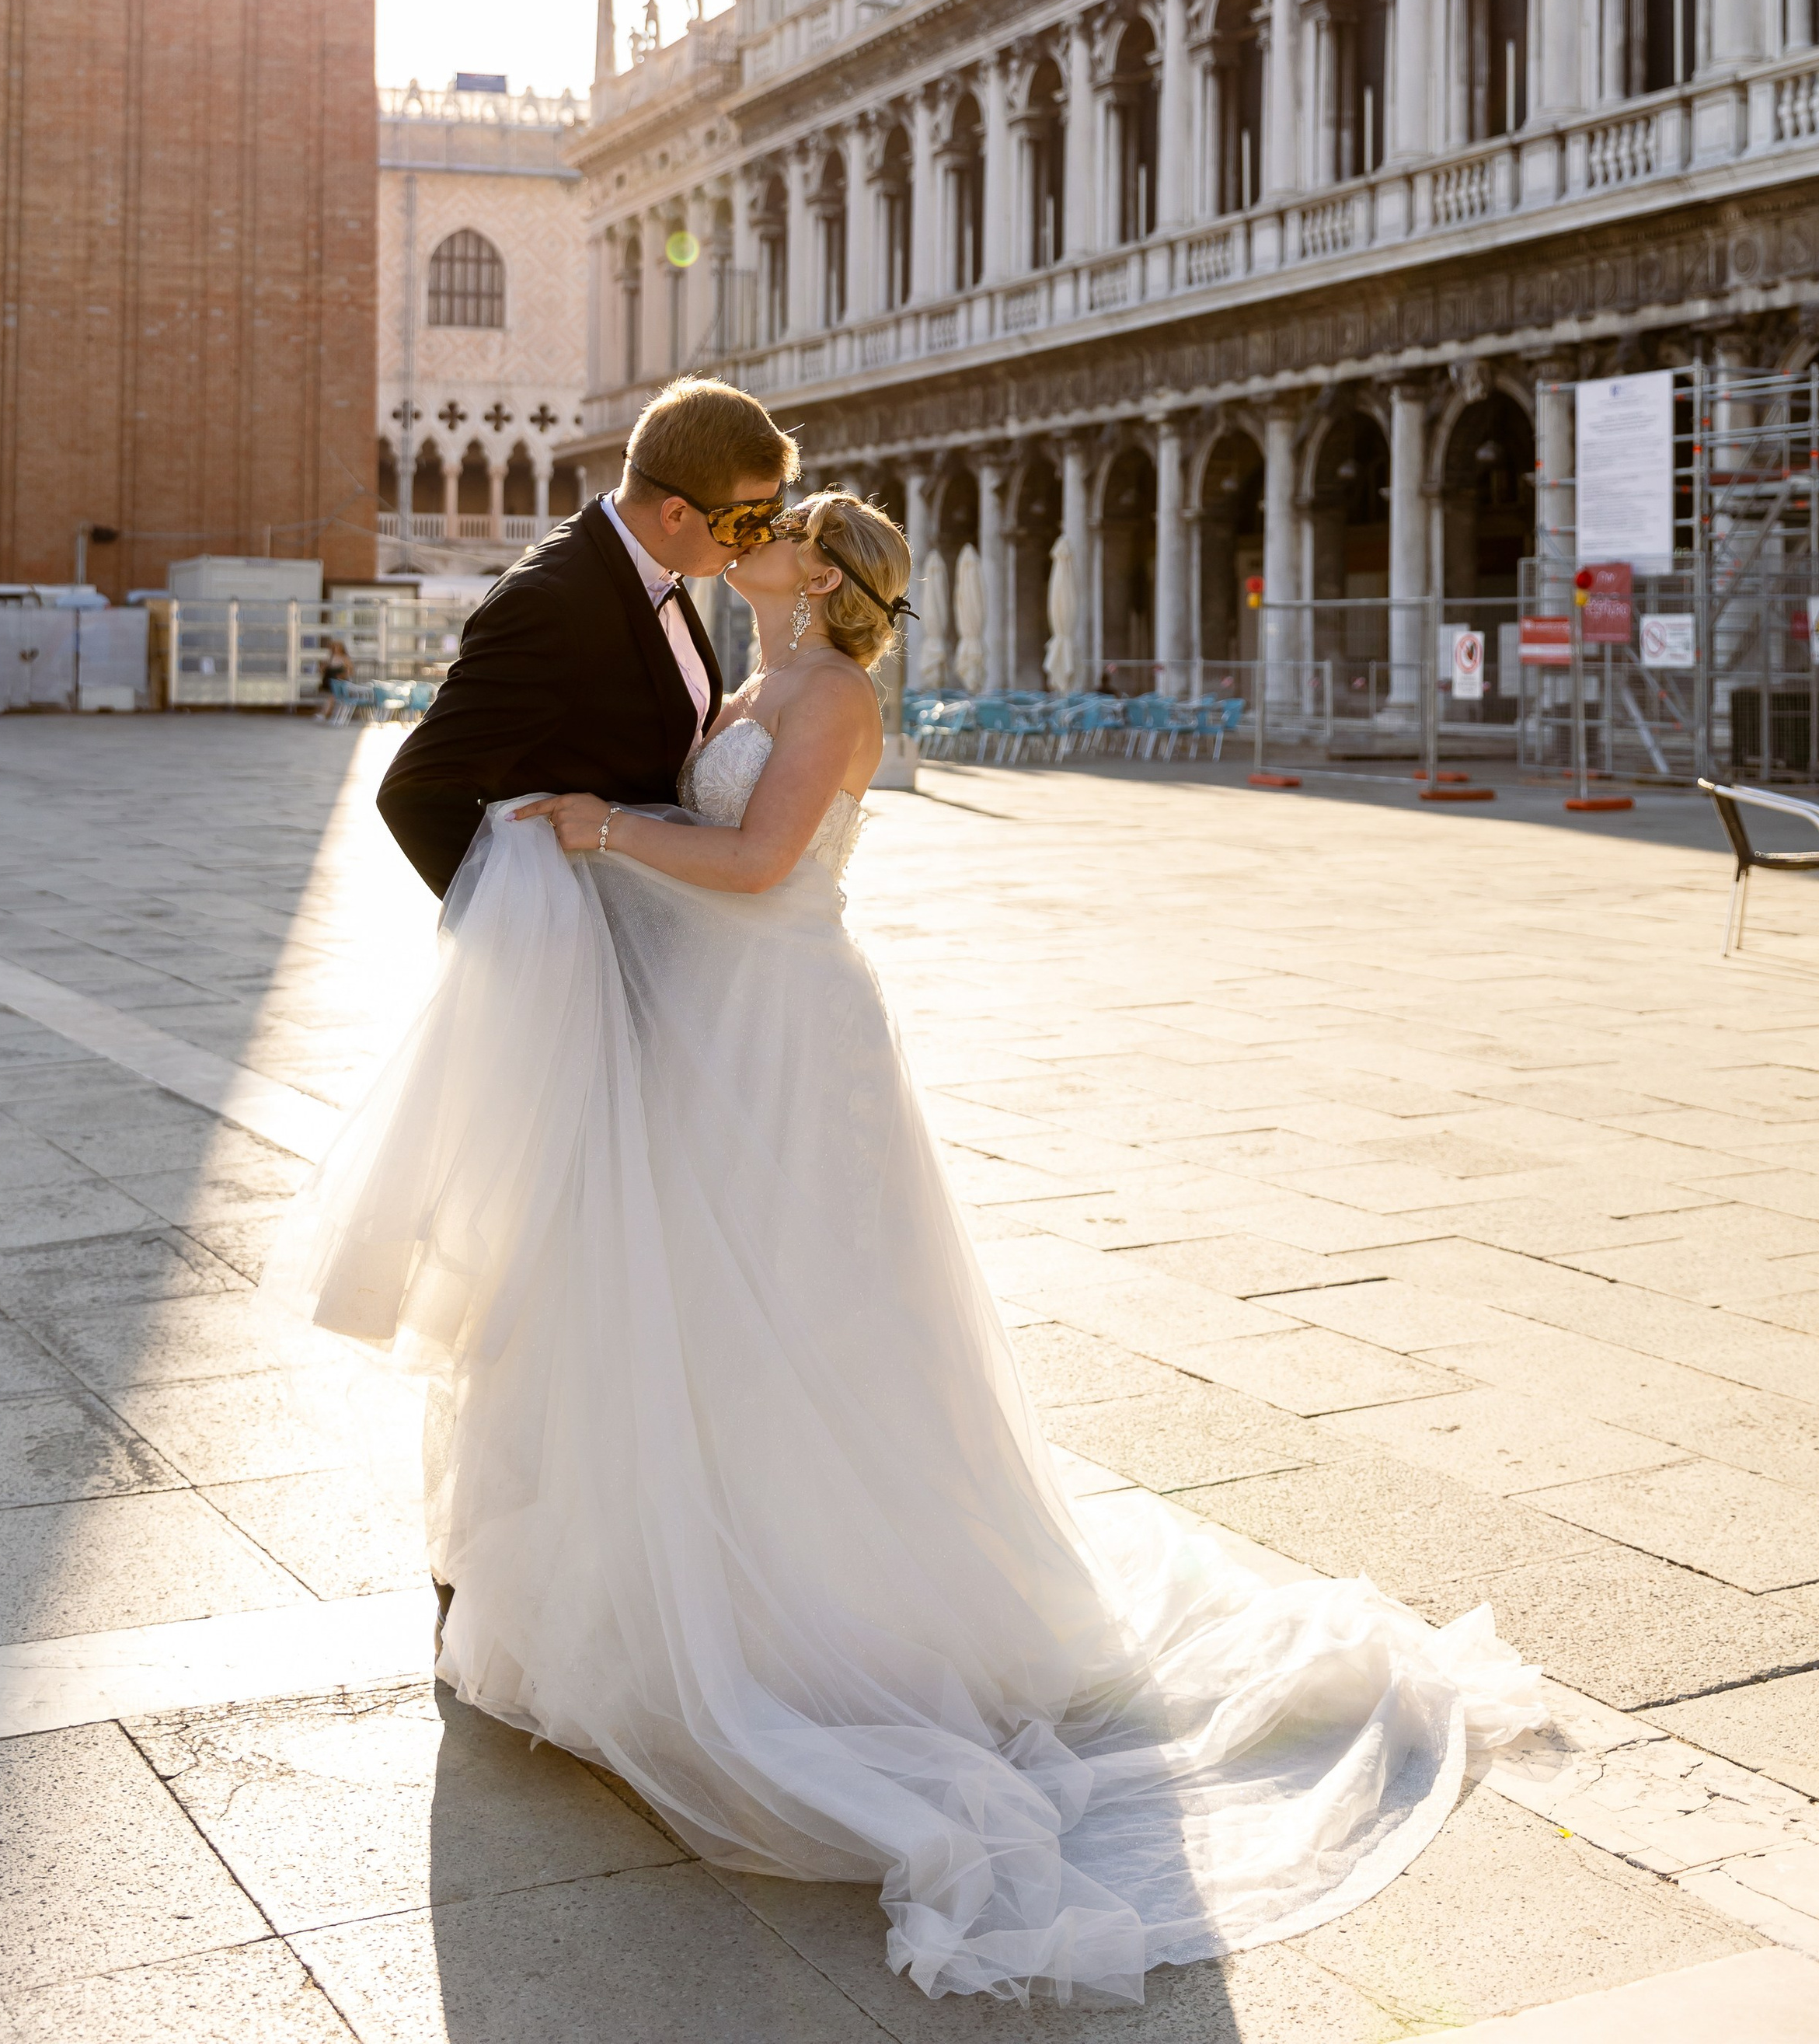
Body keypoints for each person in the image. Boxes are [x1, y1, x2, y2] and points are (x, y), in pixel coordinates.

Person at [267, 487, 1538, 2008]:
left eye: (779, 526)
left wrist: (604, 829)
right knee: (720, 1314)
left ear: (821, 575)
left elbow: (759, 862)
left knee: (812, 1308)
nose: (751, 534)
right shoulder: (741, 681)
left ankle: (823, 1621)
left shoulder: (831, 697)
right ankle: (723, 1572)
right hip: (712, 1026)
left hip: (791, 1033)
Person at [373, 373, 795, 899]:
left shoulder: (656, 566)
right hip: (583, 930)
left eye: (770, 517)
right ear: (675, 514)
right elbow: (416, 790)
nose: (758, 539)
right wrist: (531, 921)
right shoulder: (547, 606)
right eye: (745, 522)